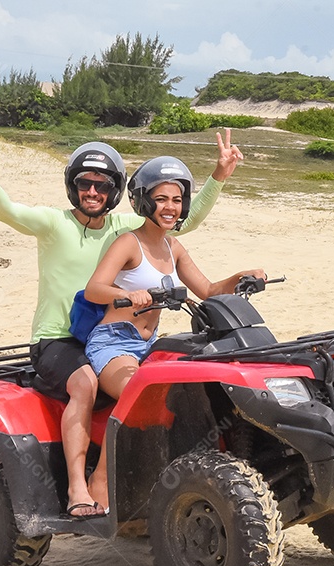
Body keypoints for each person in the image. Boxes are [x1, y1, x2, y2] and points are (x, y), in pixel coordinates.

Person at [0, 121, 244, 518]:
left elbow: (179, 220)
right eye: (84, 184)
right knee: (85, 382)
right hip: (58, 339)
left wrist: (218, 177)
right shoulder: (53, 222)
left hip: (109, 335)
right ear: (72, 185)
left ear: (115, 191)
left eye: (102, 185)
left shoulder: (123, 227)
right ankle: (79, 485)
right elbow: (8, 211)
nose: (92, 192)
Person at [82, 156, 264, 505]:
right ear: (144, 201)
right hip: (113, 343)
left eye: (177, 200)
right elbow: (94, 289)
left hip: (147, 346)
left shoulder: (173, 246)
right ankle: (100, 480)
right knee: (137, 390)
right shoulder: (127, 243)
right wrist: (127, 294)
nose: (170, 207)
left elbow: (209, 290)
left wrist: (243, 277)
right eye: (162, 199)